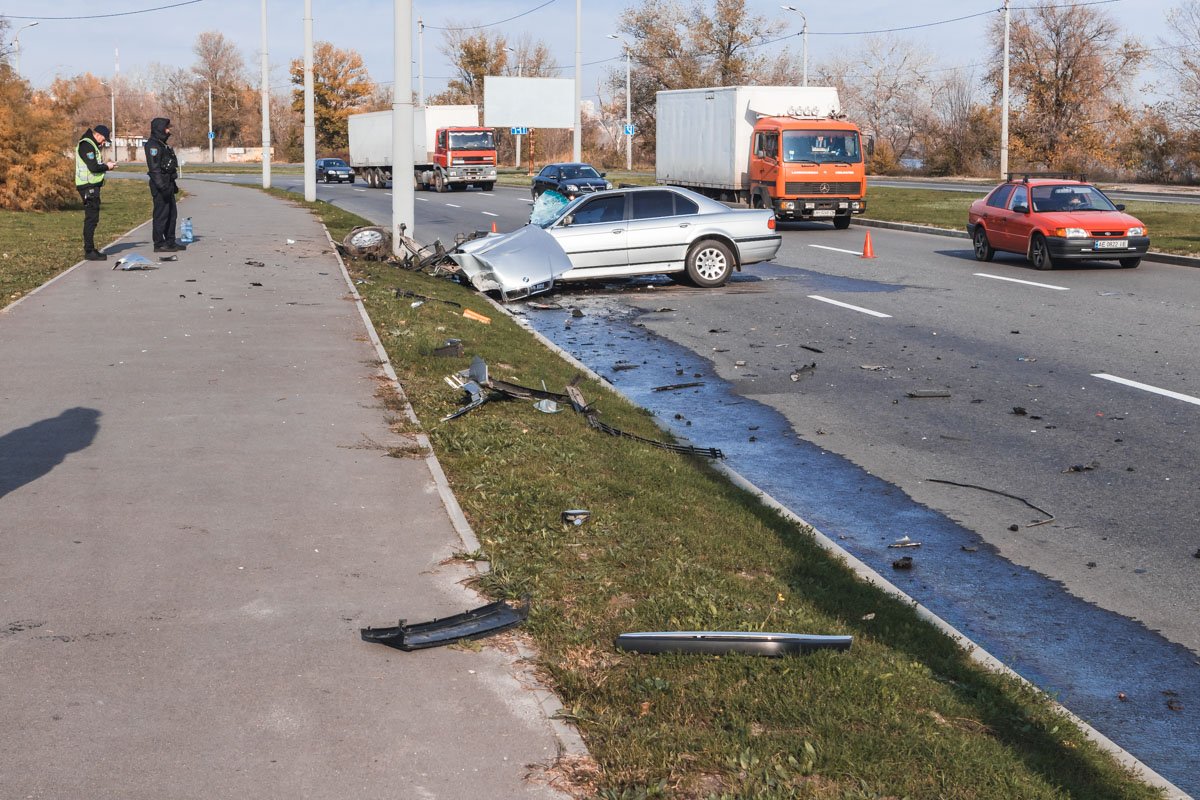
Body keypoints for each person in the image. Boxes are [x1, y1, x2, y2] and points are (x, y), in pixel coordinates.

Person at [75, 124, 117, 261]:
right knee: (91, 218)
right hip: (87, 186)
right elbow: (93, 167)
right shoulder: (87, 145)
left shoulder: (92, 145)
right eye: (103, 139)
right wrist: (107, 167)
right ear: (97, 135)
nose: (104, 142)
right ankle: (89, 250)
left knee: (93, 218)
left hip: (91, 185)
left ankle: (91, 248)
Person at [145, 117, 184, 252]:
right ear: (160, 128)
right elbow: (154, 169)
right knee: (161, 215)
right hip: (160, 186)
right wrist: (162, 187)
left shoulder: (162, 144)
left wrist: (172, 185)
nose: (168, 130)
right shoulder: (152, 145)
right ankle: (159, 244)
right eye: (166, 128)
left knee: (172, 214)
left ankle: (170, 241)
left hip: (168, 184)